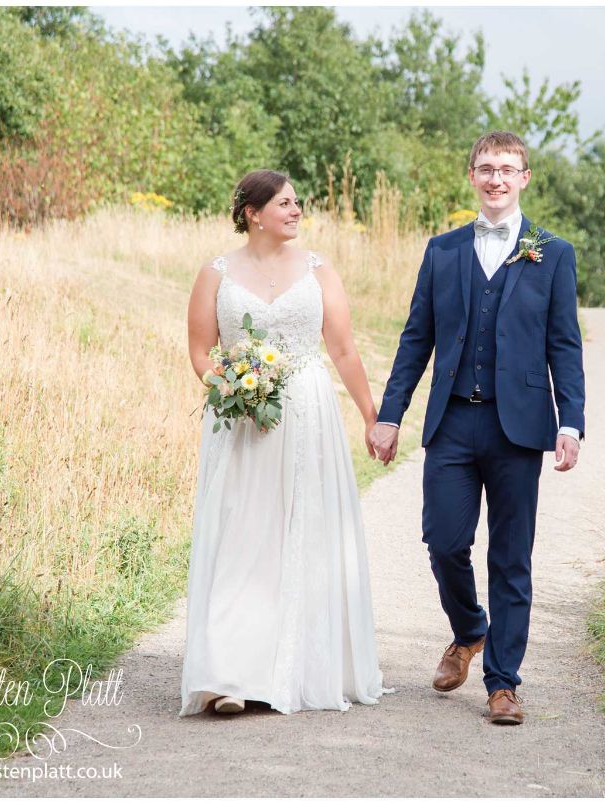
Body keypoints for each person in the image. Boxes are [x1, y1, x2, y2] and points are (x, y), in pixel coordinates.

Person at [369, 131, 586, 725]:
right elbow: (417, 338)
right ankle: (469, 630)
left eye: (507, 169)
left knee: (511, 557)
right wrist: (391, 415)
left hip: (519, 428)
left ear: (525, 178)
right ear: (471, 176)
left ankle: (503, 685)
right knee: (444, 541)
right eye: (486, 168)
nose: (496, 178)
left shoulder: (553, 252)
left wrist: (571, 423)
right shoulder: (441, 251)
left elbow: (564, 346)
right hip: (453, 423)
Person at [180, 169, 392, 716]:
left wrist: (374, 417)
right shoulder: (215, 274)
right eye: (285, 203)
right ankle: (227, 674)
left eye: (298, 203)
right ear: (253, 213)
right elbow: (202, 353)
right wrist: (232, 387)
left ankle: (298, 667)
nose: (296, 211)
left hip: (308, 417)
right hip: (242, 423)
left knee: (303, 535)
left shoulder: (319, 271)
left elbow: (343, 351)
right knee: (240, 537)